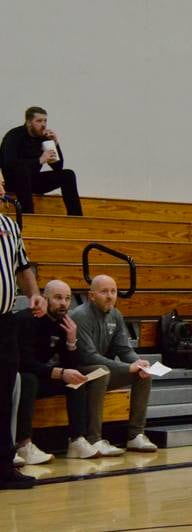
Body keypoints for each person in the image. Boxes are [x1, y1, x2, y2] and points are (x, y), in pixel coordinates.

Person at [16, 280, 104, 463]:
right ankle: (23, 444)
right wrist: (60, 373)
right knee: (28, 379)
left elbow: (71, 365)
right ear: (45, 298)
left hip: (42, 376)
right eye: (58, 298)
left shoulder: (64, 323)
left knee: (76, 380)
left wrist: (71, 341)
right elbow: (24, 362)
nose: (64, 303)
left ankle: (77, 440)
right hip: (18, 377)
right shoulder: (27, 319)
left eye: (67, 298)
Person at [72, 275, 157, 455]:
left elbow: (124, 349)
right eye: (104, 292)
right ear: (91, 295)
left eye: (113, 291)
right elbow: (88, 357)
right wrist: (127, 368)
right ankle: (94, 439)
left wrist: (138, 362)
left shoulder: (116, 315)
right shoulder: (80, 316)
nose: (110, 296)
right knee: (101, 371)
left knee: (143, 374)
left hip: (102, 372)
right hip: (78, 374)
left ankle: (136, 435)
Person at [0, 170, 47, 489]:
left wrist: (34, 294)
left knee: (4, 394)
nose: (4, 185)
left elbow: (23, 265)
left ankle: (4, 467)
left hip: (4, 321)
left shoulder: (10, 225)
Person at [0, 107, 83, 216]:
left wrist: (55, 144)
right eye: (39, 121)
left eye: (45, 121)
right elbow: (9, 165)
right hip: (12, 181)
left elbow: (58, 167)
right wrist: (39, 160)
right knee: (23, 171)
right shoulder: (14, 135)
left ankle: (76, 217)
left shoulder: (43, 138)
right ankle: (29, 215)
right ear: (29, 123)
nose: (43, 125)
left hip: (32, 181)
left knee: (68, 175)